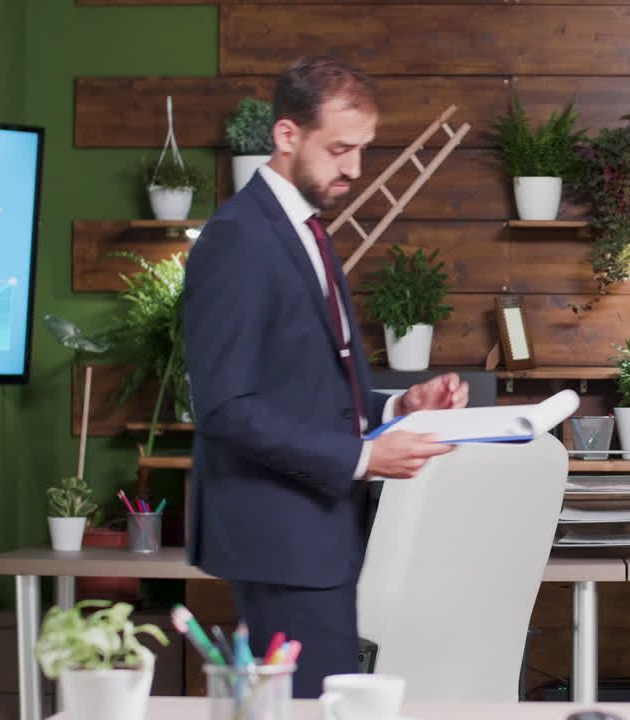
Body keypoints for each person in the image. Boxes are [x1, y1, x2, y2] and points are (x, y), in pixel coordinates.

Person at [182, 55, 468, 698]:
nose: (354, 170)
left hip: (315, 534)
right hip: (281, 540)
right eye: (340, 149)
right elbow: (226, 408)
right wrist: (365, 455)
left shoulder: (305, 228)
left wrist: (399, 406)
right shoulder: (238, 237)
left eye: (363, 150)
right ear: (287, 135)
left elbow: (307, 389)